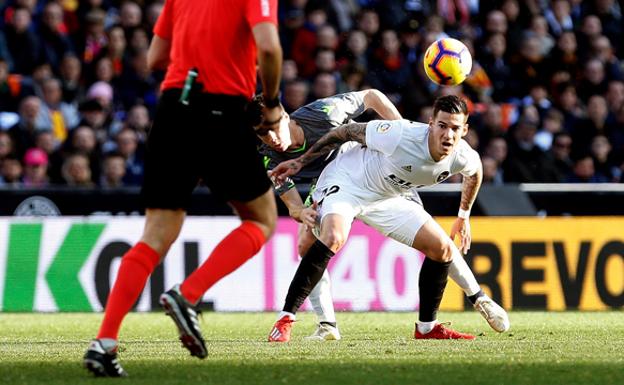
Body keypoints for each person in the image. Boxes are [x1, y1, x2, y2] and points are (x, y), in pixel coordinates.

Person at [83, 0, 284, 377]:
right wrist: (271, 103)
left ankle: (104, 343)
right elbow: (270, 46)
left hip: (173, 109)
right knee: (261, 220)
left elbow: (155, 57)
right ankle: (187, 294)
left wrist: (200, 53)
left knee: (155, 235)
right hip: (221, 110)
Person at [269, 95, 510, 341]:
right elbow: (345, 131)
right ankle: (286, 318)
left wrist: (463, 215)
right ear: (431, 123)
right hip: (348, 181)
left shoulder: (463, 155)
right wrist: (300, 162)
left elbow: (476, 171)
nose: (448, 135)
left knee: (443, 249)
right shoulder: (400, 134)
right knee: (333, 237)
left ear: (465, 130)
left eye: (455, 128)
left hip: (388, 197)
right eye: (442, 126)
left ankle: (427, 327)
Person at [258, 89, 404, 340]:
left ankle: (457, 305)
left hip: (365, 165)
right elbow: (292, 203)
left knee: (428, 236)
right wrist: (301, 212)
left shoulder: (323, 114)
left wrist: (401, 131)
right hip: (331, 180)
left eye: (272, 128)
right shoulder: (269, 156)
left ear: (285, 116)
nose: (270, 138)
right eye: (262, 133)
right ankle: (327, 324)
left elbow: (371, 95)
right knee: (305, 243)